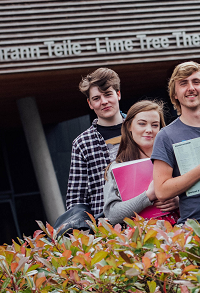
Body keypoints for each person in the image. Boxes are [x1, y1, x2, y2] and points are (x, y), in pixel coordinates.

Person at [151, 61, 200, 223]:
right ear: (175, 94)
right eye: (183, 83)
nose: (191, 88)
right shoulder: (166, 136)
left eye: (196, 82)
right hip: (194, 227)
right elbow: (162, 191)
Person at [103, 100, 180, 224]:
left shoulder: (174, 159)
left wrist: (178, 201)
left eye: (155, 125)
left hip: (178, 236)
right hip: (138, 240)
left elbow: (197, 197)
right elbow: (112, 215)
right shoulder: (116, 168)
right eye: (142, 124)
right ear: (129, 126)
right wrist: (148, 195)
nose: (149, 130)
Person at [65, 67, 125, 218]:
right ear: (90, 103)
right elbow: (75, 198)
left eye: (108, 94)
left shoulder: (141, 129)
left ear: (118, 94)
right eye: (96, 98)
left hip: (146, 217)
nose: (104, 102)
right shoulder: (82, 143)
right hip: (106, 225)